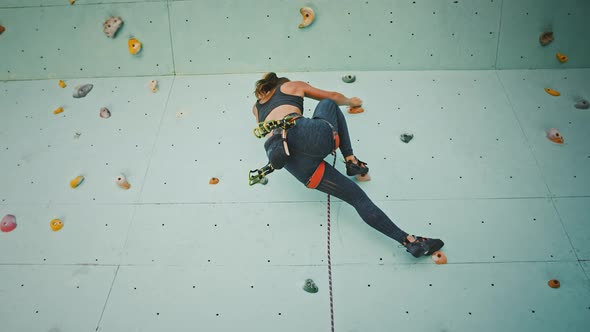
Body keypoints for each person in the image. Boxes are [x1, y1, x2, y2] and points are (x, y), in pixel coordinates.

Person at [251, 72, 444, 258]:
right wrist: (352, 102)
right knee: (328, 104)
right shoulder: (290, 85)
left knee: (356, 199)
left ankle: (409, 242)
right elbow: (333, 96)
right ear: (279, 82)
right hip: (305, 134)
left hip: (290, 161)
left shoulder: (256, 108)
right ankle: (351, 161)